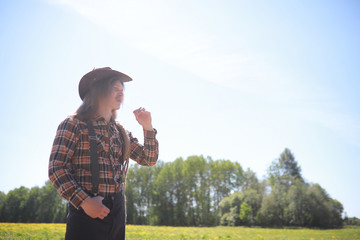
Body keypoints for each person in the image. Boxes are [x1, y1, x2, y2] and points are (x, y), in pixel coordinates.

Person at [48, 67, 159, 240]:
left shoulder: (121, 132)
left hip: (118, 215)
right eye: (115, 88)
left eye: (122, 90)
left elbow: (149, 159)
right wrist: (85, 201)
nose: (121, 93)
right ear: (98, 91)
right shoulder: (73, 124)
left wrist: (147, 127)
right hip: (85, 216)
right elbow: (57, 168)